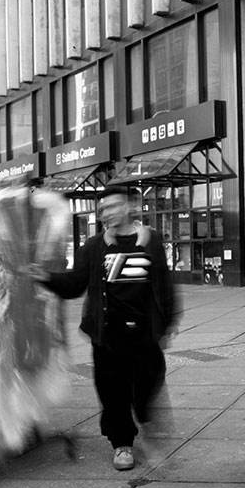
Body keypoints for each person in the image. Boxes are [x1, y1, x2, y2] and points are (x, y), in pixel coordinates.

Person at [35, 188, 178, 470]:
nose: (107, 213)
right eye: (102, 210)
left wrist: (168, 324)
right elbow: (75, 284)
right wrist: (44, 277)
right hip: (107, 335)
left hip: (145, 334)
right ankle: (122, 443)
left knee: (148, 386)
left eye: (112, 207)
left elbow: (164, 285)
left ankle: (149, 429)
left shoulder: (151, 241)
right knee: (112, 391)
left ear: (128, 208)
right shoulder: (94, 246)